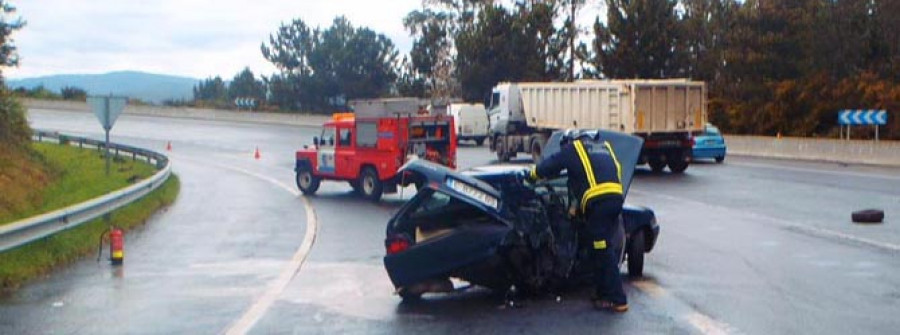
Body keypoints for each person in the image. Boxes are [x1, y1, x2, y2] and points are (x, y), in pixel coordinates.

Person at [528, 129, 628, 312]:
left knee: (602, 251)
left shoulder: (573, 148)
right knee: (597, 247)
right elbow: (617, 170)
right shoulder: (604, 148)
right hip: (614, 199)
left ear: (569, 141)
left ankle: (617, 298)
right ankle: (602, 293)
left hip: (599, 202)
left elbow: (549, 166)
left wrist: (531, 175)